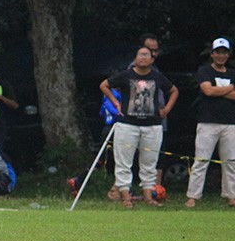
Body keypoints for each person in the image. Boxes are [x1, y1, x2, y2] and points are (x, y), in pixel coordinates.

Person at [100, 46, 179, 208]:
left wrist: (166, 109)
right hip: (127, 124)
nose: (143, 58)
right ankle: (125, 197)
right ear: (135, 58)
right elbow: (104, 85)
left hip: (152, 126)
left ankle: (149, 197)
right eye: (140, 55)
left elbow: (173, 90)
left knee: (149, 162)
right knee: (123, 161)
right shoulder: (126, 75)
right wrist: (115, 102)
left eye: (146, 55)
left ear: (152, 59)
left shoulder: (157, 77)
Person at [185, 37, 235, 208]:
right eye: (218, 52)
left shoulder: (232, 73)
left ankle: (231, 196)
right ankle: (193, 197)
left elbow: (218, 92)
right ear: (212, 54)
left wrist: (216, 90)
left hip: (230, 123)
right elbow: (207, 90)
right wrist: (228, 89)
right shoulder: (204, 71)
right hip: (207, 122)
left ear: (228, 55)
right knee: (201, 160)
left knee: (231, 161)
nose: (221, 56)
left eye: (224, 53)